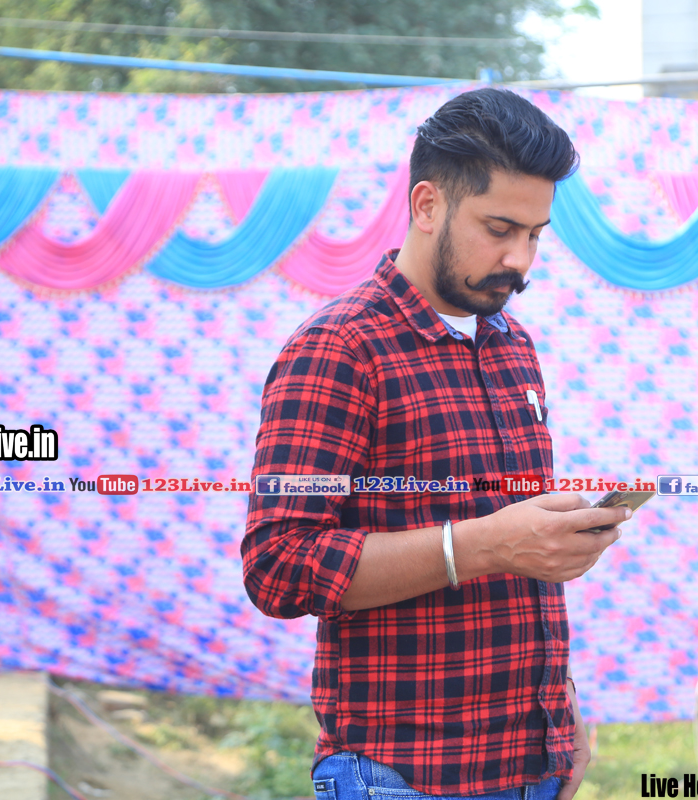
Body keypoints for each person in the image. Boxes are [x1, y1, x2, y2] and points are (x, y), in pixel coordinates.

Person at [242, 87, 626, 800]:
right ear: (426, 205)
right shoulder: (340, 349)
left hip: (531, 767)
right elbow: (279, 566)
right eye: (499, 229)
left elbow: (516, 561)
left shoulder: (512, 347)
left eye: (536, 235)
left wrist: (561, 707)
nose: (520, 260)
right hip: (400, 776)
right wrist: (483, 545)